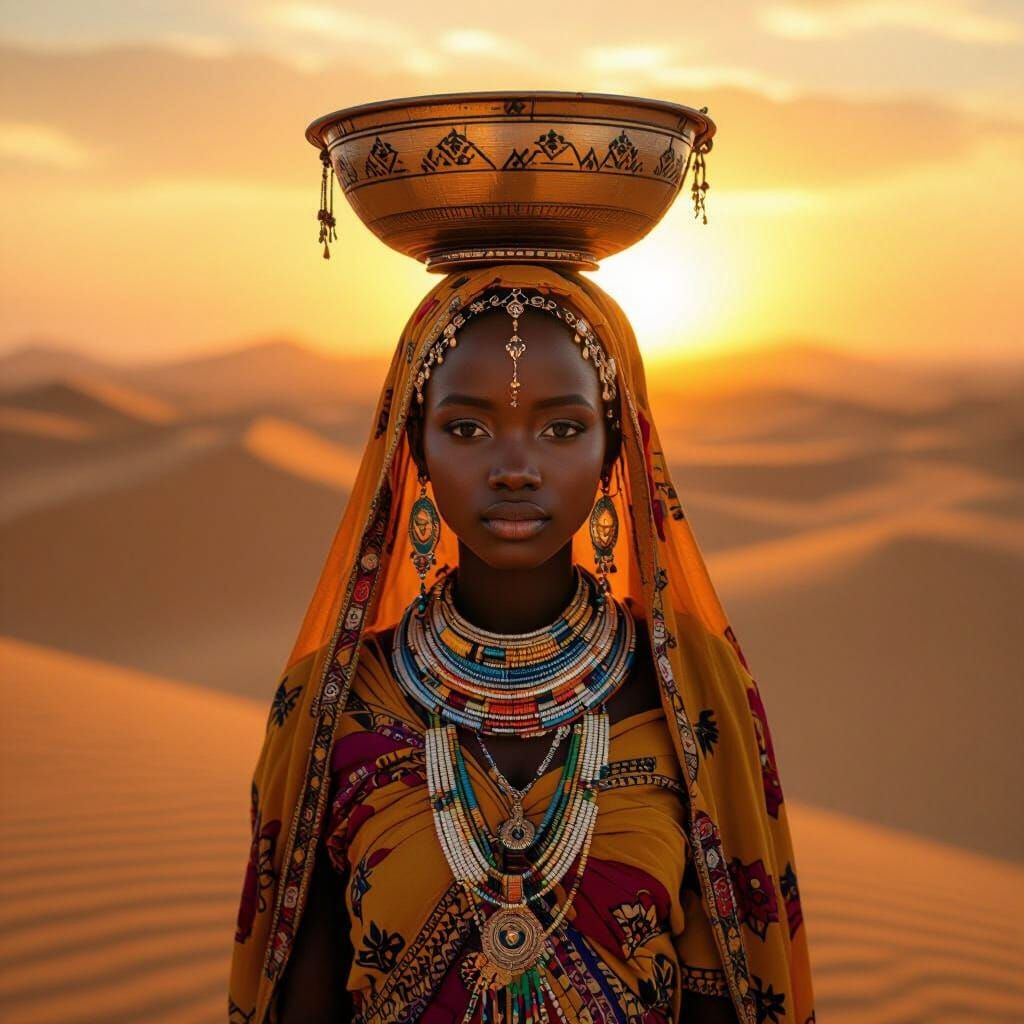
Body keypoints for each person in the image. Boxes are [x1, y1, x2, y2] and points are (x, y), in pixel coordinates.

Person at [227, 264, 816, 1024]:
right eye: (467, 429)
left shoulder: (691, 695)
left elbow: (729, 991)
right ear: (415, 446)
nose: (514, 469)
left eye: (563, 428)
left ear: (616, 449)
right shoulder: (331, 704)